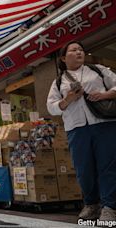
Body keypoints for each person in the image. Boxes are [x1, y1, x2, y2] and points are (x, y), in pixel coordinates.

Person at [47, 41, 116, 222]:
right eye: (73, 50)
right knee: (83, 169)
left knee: (108, 166)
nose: (79, 52)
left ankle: (110, 207)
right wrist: (68, 99)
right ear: (63, 58)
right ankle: (91, 204)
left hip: (103, 124)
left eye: (81, 50)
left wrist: (105, 95)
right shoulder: (59, 81)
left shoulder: (98, 70)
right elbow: (51, 107)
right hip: (76, 129)